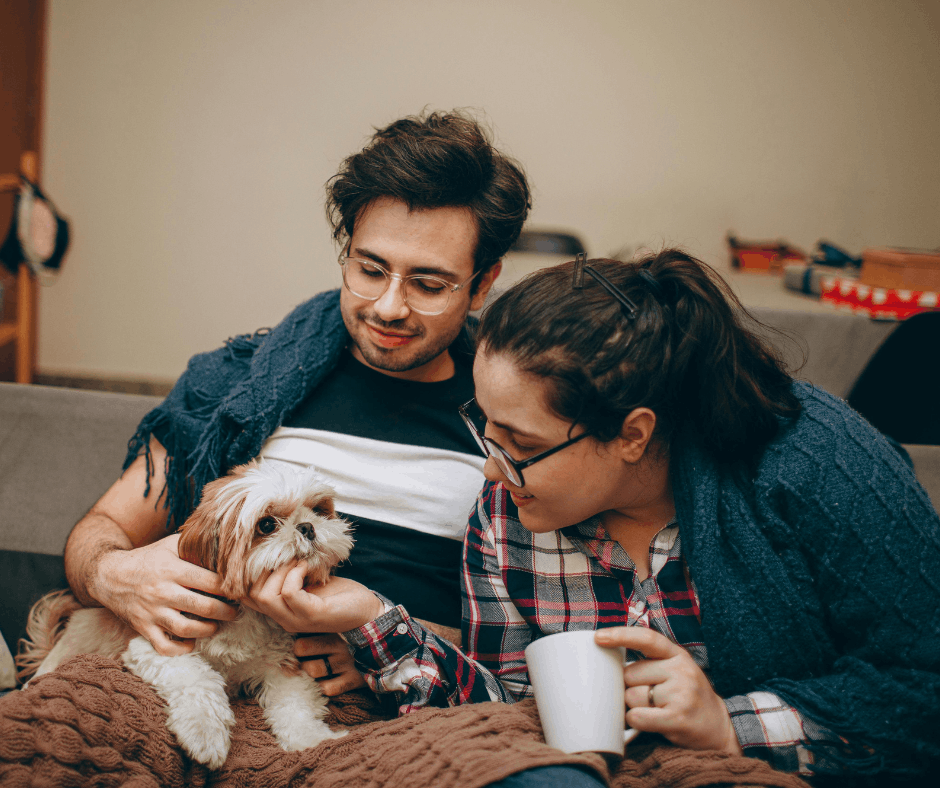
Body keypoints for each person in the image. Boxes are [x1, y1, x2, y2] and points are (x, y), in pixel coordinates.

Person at [257, 250, 940, 785]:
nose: (492, 468)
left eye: (520, 445)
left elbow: (921, 692)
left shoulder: (816, 463)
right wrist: (371, 618)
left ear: (633, 435)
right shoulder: (506, 512)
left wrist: (730, 726)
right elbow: (505, 707)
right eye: (484, 428)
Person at [60, 109, 530, 695]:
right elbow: (103, 528)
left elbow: (528, 642)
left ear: (483, 283)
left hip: (395, 707)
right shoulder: (240, 385)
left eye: (428, 285)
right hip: (195, 673)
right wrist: (114, 575)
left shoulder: (516, 420)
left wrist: (386, 645)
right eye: (370, 269)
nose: (388, 306)